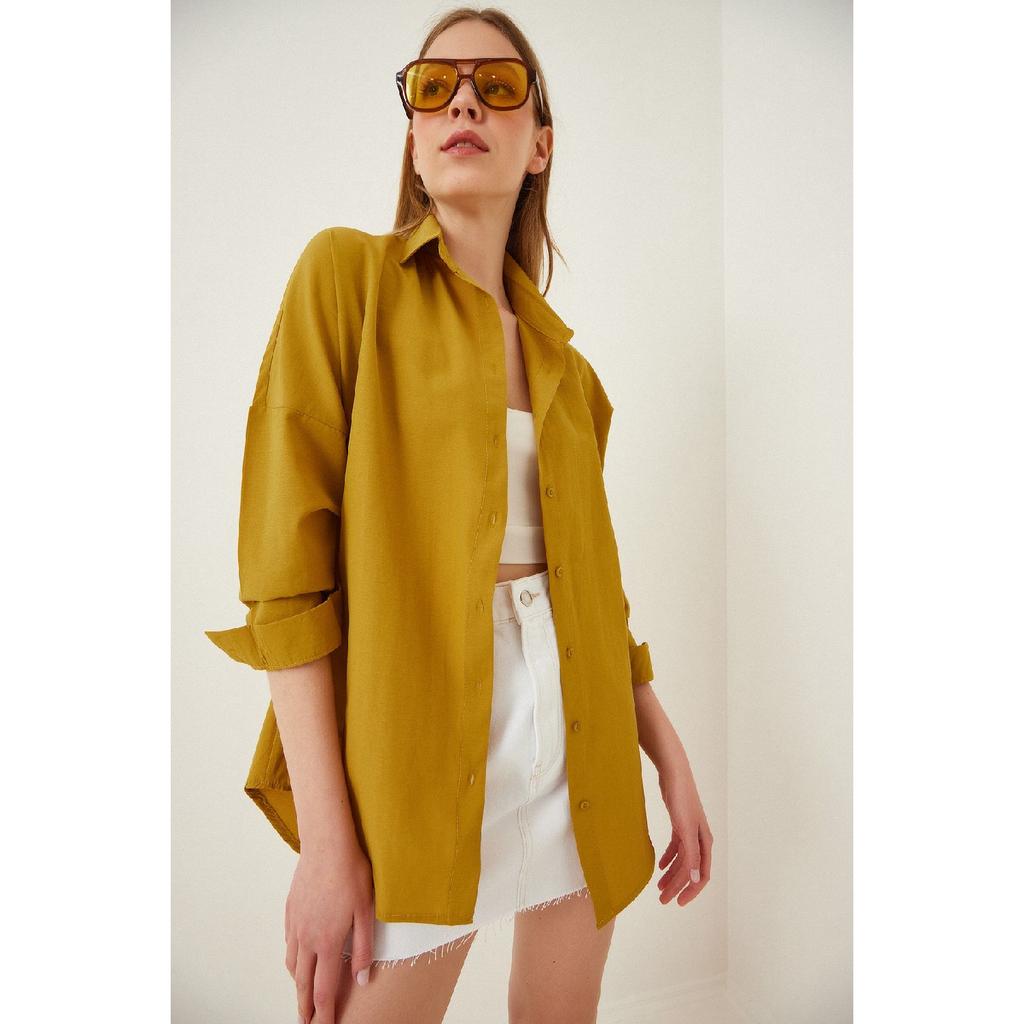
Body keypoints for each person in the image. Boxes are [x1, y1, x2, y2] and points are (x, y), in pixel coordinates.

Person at [204, 7, 712, 1023]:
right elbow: (286, 583)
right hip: (411, 750)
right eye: (434, 88)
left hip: (581, 745)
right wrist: (328, 845)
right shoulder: (344, 281)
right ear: (412, 136)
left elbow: (595, 594)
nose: (464, 104)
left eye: (498, 86)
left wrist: (669, 754)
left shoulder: (572, 374)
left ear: (540, 145)